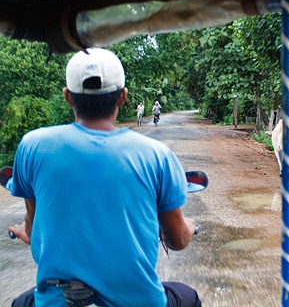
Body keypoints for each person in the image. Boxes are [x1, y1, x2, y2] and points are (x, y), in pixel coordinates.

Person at [8, 48, 202, 307]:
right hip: (141, 302)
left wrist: (30, 231)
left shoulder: (32, 146)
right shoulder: (157, 155)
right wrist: (188, 226)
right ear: (123, 97)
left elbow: (32, 223)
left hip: (58, 300)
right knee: (188, 296)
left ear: (68, 97)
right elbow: (176, 241)